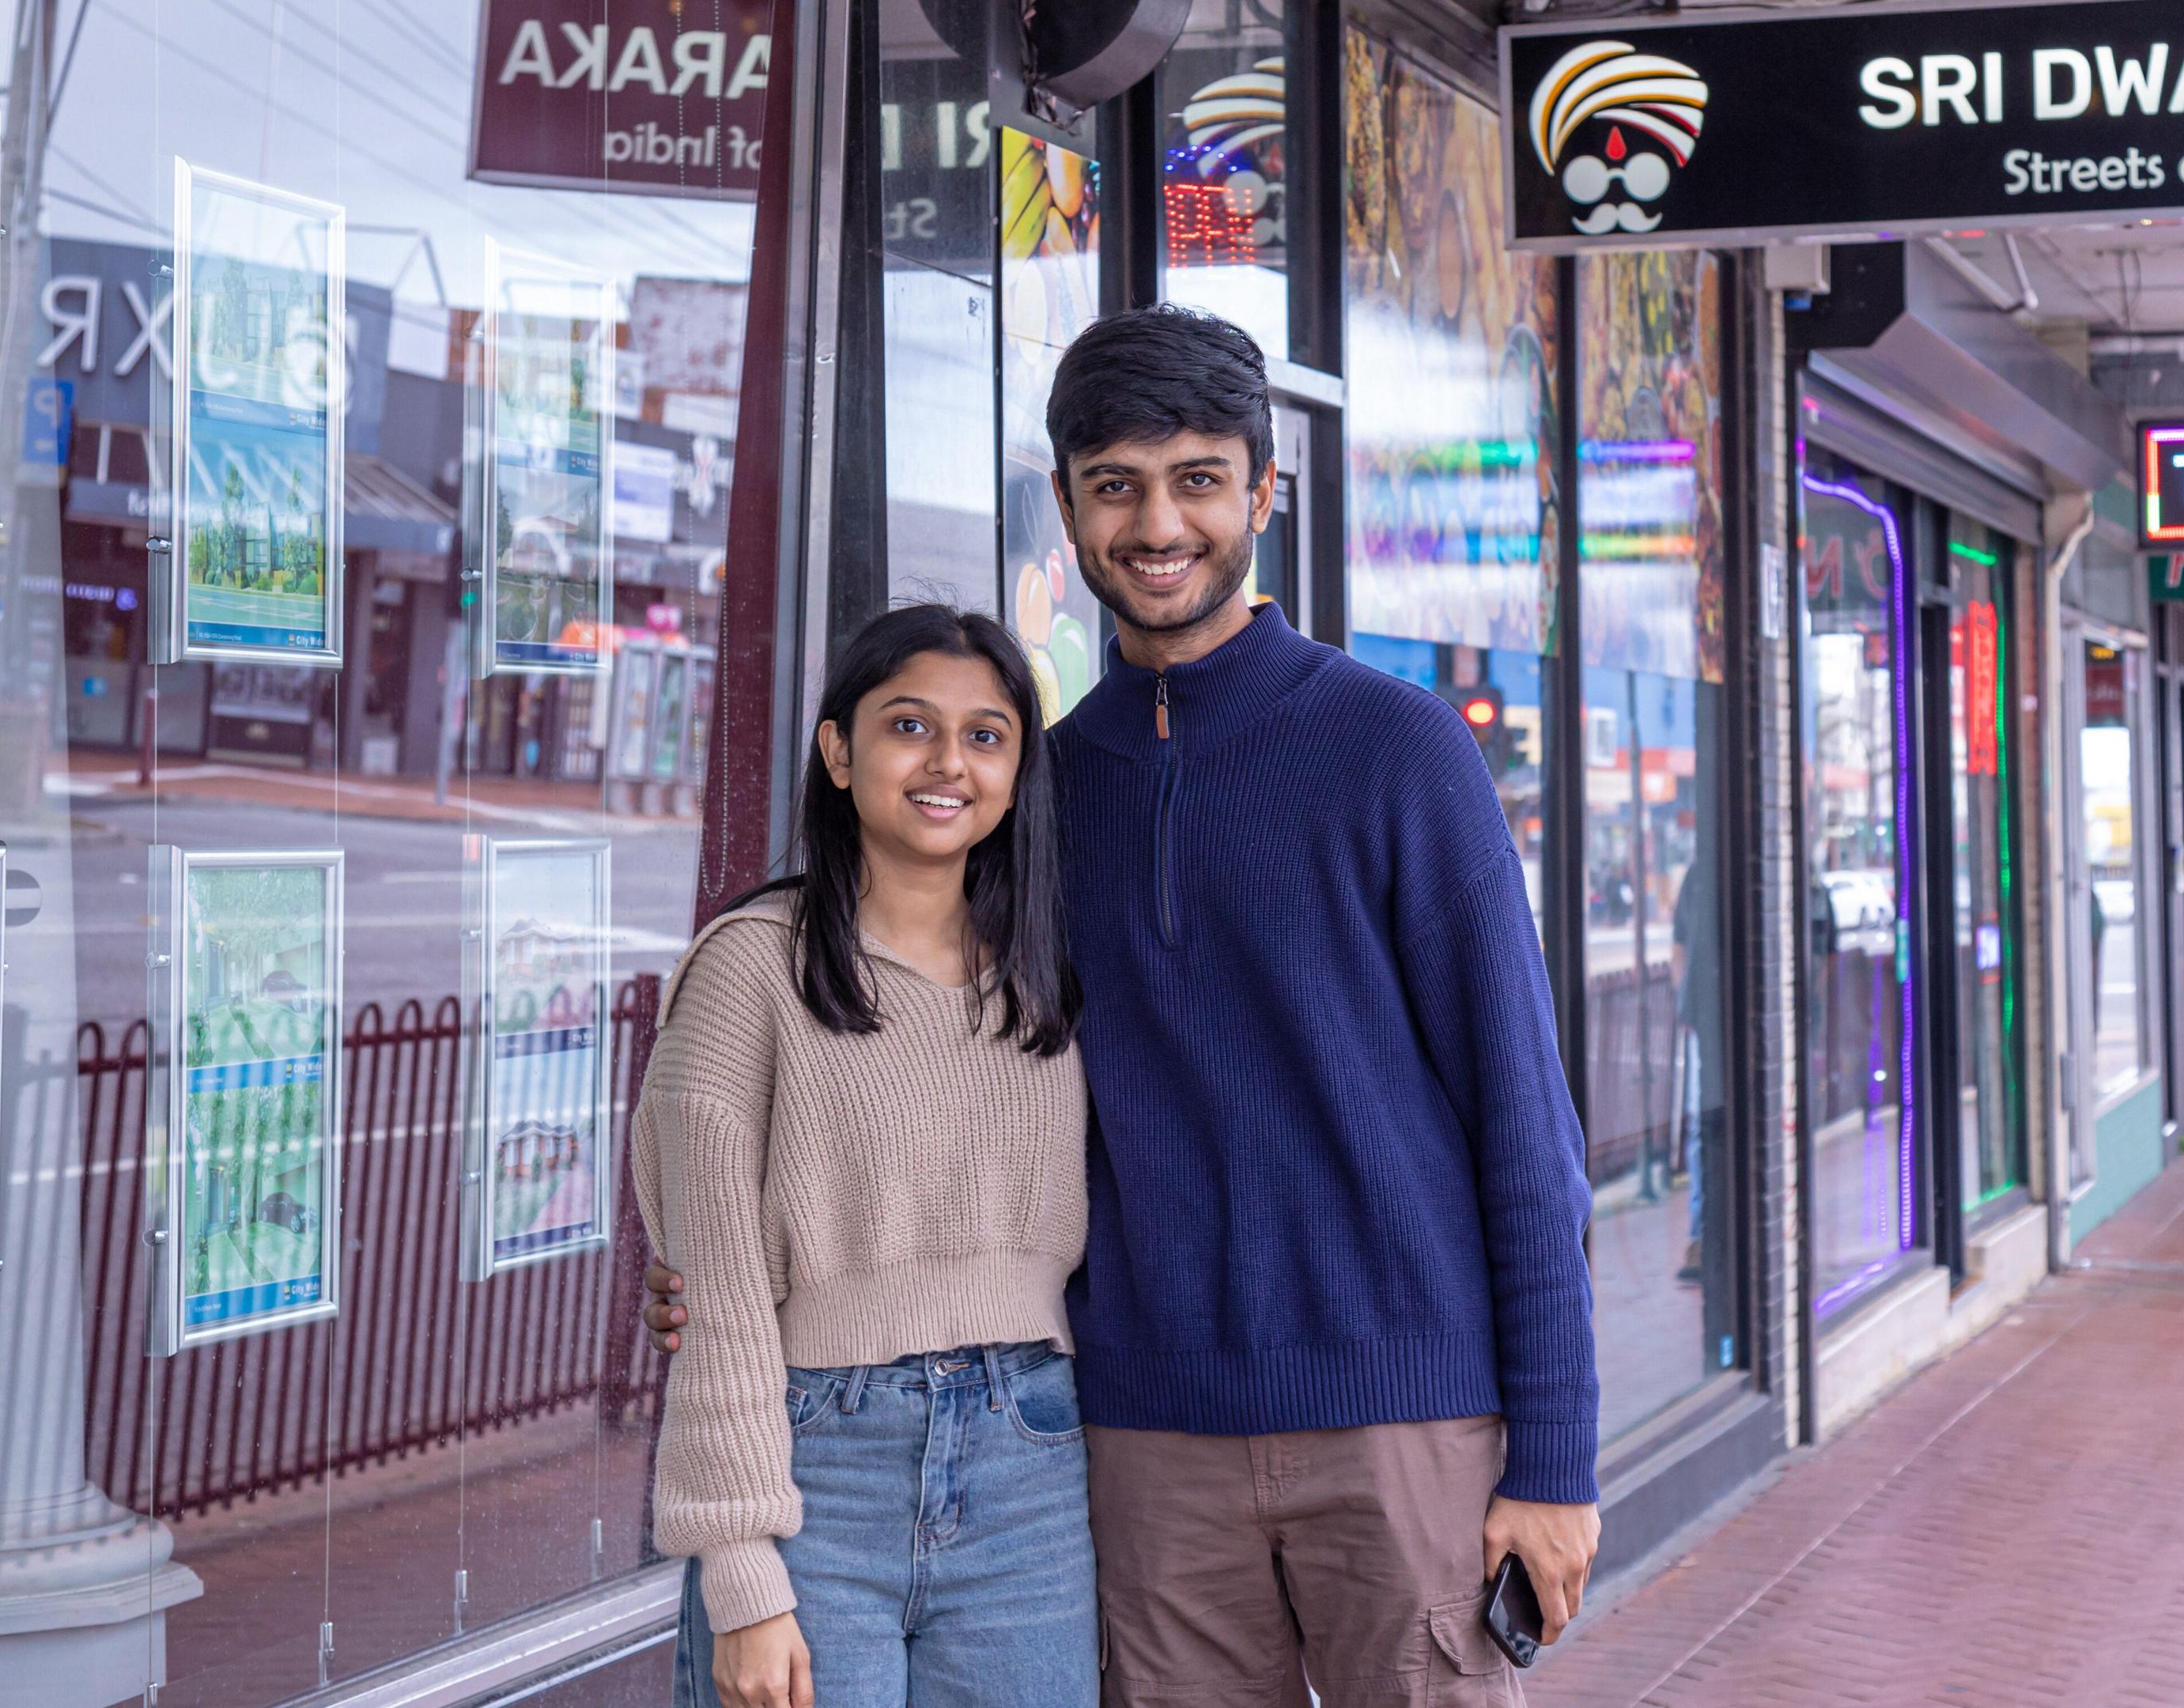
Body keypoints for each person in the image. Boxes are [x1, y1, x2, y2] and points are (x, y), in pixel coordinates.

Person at [646, 305, 1597, 1704]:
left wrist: (1557, 1458)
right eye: (1118, 486)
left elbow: (1528, 1127)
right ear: (1070, 508)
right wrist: (726, 1271)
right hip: (1137, 1439)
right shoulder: (1038, 793)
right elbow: (926, 1056)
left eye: (1199, 479)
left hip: (1403, 1420)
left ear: (1263, 493)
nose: (1160, 524)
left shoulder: (1400, 752)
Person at [639, 606, 1096, 1708]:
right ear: (839, 752)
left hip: (1032, 1466)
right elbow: (725, 1309)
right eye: (909, 727)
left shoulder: (1051, 974)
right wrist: (742, 1574)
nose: (949, 764)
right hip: (817, 1471)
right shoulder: (750, 973)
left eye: (986, 736)